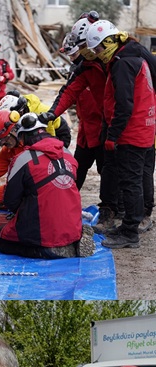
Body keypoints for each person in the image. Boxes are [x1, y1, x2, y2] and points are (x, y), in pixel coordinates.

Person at [85, 20, 156, 249]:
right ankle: (128, 225)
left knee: (130, 182)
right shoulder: (136, 57)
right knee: (132, 181)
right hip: (142, 128)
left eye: (97, 50)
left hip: (132, 132)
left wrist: (112, 135)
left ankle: (130, 233)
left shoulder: (122, 64)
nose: (97, 55)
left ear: (108, 43)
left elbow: (124, 104)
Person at [0, 113, 91, 259]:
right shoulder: (68, 154)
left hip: (42, 230)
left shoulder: (22, 159)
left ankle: (49, 251)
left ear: (23, 136)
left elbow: (10, 201)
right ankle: (71, 242)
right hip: (72, 228)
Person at [47, 21, 115, 232]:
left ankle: (112, 211)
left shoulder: (111, 63)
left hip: (106, 130)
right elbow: (69, 93)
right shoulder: (82, 68)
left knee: (109, 173)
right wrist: (51, 114)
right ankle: (65, 202)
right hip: (87, 131)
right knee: (78, 168)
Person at [0, 91, 71, 152]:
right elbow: (0, 132)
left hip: (59, 133)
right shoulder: (20, 113)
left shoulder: (39, 113)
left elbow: (49, 139)